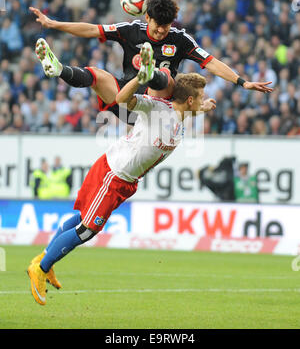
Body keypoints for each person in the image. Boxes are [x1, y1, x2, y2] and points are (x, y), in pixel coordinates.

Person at [27, 64, 217, 305]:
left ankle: (47, 259)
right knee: (88, 229)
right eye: (200, 98)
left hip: (126, 180)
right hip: (114, 174)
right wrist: (140, 78)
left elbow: (187, 111)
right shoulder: (157, 108)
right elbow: (122, 98)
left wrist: (203, 108)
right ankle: (41, 268)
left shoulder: (181, 115)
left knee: (82, 218)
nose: (202, 101)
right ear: (190, 99)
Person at [29, 0, 273, 124]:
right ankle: (58, 70)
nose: (161, 31)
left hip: (158, 109)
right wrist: (53, 24)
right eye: (157, 26)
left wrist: (242, 82)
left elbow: (211, 62)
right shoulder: (130, 30)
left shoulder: (180, 39)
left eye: (166, 27)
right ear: (147, 18)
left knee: (166, 76)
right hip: (126, 104)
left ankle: (150, 72)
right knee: (96, 74)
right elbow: (93, 29)